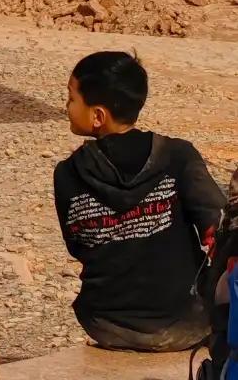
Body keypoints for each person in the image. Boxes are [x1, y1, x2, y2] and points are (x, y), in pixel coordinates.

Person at [54, 50, 223, 351]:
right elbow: (219, 226)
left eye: (71, 98)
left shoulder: (68, 173)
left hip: (106, 324)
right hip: (187, 323)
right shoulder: (178, 157)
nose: (67, 106)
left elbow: (78, 246)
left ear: (98, 116)